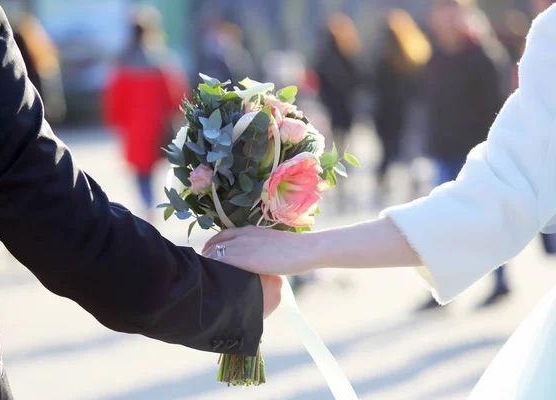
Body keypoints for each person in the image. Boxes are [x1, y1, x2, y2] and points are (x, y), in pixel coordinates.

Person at [204, 3, 556, 398]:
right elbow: (492, 199)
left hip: (466, 147)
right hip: (445, 148)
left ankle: (500, 282)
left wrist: (304, 248)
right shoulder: (453, 53)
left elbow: (493, 201)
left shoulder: (509, 48)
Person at [0, 1, 282, 398]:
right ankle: (148, 209)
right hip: (150, 136)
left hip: (135, 137)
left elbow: (118, 103)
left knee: (143, 179)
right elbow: (63, 225)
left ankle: (147, 207)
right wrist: (228, 298)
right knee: (145, 179)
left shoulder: (125, 65)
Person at [419, 0, 512, 309]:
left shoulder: (483, 55)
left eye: (450, 8)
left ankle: (500, 282)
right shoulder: (434, 57)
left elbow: (498, 109)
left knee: (485, 219)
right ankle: (442, 287)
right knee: (441, 221)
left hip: (477, 152)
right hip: (444, 151)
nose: (443, 16)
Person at [104, 6, 188, 220]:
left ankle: (146, 203)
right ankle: (149, 203)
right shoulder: (161, 60)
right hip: (156, 125)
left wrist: (115, 122)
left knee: (139, 170)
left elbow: (114, 100)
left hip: (132, 127)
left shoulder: (122, 63)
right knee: (150, 168)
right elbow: (174, 96)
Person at [373, 9, 431, 197]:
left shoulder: (384, 59)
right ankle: (411, 185)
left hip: (389, 112)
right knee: (408, 150)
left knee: (390, 151)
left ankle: (384, 184)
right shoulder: (412, 56)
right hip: (403, 111)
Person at [314, 13, 363, 212]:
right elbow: (358, 82)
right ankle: (341, 192)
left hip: (333, 111)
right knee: (343, 153)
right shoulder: (347, 54)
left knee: (333, 154)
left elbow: (318, 84)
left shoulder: (325, 56)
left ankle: (338, 192)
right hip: (344, 111)